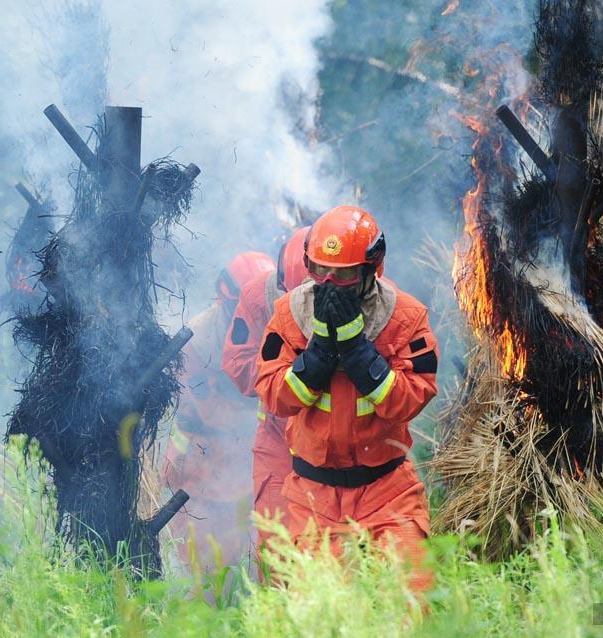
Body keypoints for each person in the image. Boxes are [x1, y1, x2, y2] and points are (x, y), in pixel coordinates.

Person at [254, 205, 439, 590]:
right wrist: (318, 354)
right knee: (319, 616)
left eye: (343, 274)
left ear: (372, 269)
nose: (329, 282)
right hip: (312, 498)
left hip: (387, 493)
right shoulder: (289, 315)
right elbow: (274, 395)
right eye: (320, 271)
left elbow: (412, 398)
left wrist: (358, 350)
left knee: (412, 602)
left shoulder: (404, 316)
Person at [162, 251, 275, 567]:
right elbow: (201, 410)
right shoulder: (199, 341)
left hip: (258, 460)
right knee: (205, 565)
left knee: (267, 559)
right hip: (207, 461)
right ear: (226, 302)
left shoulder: (279, 324)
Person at [221, 227, 311, 550]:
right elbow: (237, 364)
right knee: (278, 552)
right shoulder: (258, 297)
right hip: (278, 444)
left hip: (342, 449)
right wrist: (287, 373)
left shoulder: (370, 297)